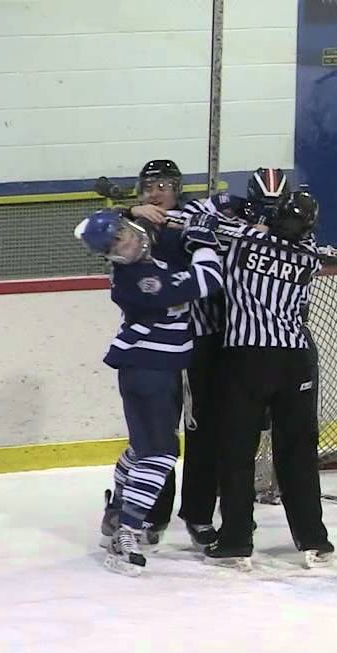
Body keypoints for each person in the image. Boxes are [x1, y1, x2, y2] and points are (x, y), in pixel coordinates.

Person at [76, 208, 224, 575]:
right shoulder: (140, 281)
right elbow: (207, 282)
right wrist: (204, 240)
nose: (128, 241)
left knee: (142, 448)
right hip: (149, 371)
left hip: (153, 370)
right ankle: (128, 529)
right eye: (118, 243)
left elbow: (164, 241)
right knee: (160, 455)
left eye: (125, 232)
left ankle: (115, 514)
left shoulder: (148, 258)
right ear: (111, 255)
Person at [205, 190, 333, 570]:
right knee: (297, 454)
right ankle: (313, 539)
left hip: (247, 357)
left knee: (237, 453)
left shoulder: (243, 238)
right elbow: (299, 239)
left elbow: (201, 225)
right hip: (295, 359)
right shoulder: (310, 255)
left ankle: (235, 539)